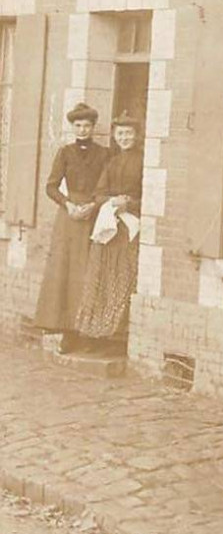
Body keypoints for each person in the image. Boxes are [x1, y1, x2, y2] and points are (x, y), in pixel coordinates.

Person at [34, 103, 112, 354]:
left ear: (93, 128)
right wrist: (67, 204)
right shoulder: (65, 153)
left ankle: (88, 333)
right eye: (78, 126)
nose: (82, 130)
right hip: (68, 219)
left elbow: (107, 186)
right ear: (73, 127)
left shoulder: (104, 154)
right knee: (66, 273)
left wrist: (92, 205)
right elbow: (51, 186)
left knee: (89, 273)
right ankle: (68, 334)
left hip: (93, 215)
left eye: (87, 125)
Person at [75, 111, 143, 357]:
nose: (124, 138)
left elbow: (151, 199)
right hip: (108, 227)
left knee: (121, 279)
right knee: (100, 279)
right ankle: (96, 336)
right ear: (115, 136)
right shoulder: (112, 162)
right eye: (120, 134)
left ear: (136, 136)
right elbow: (98, 194)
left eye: (128, 133)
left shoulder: (144, 161)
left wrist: (131, 204)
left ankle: (117, 339)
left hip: (128, 230)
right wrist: (112, 201)